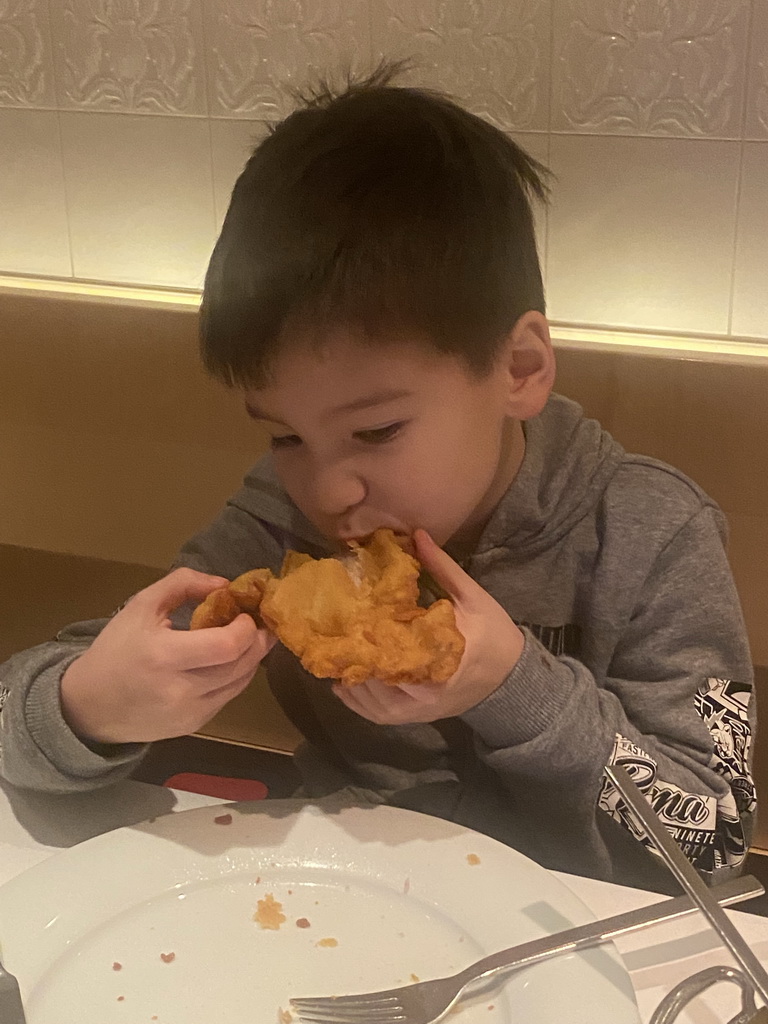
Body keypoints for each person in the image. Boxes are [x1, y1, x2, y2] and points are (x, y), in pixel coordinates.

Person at [0, 64, 756, 891]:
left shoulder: (647, 534)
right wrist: (91, 706)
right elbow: (17, 723)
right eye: (287, 434)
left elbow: (713, 839)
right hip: (341, 897)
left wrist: (512, 686)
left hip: (578, 928)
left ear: (519, 367)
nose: (329, 492)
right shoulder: (277, 525)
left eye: (378, 430)